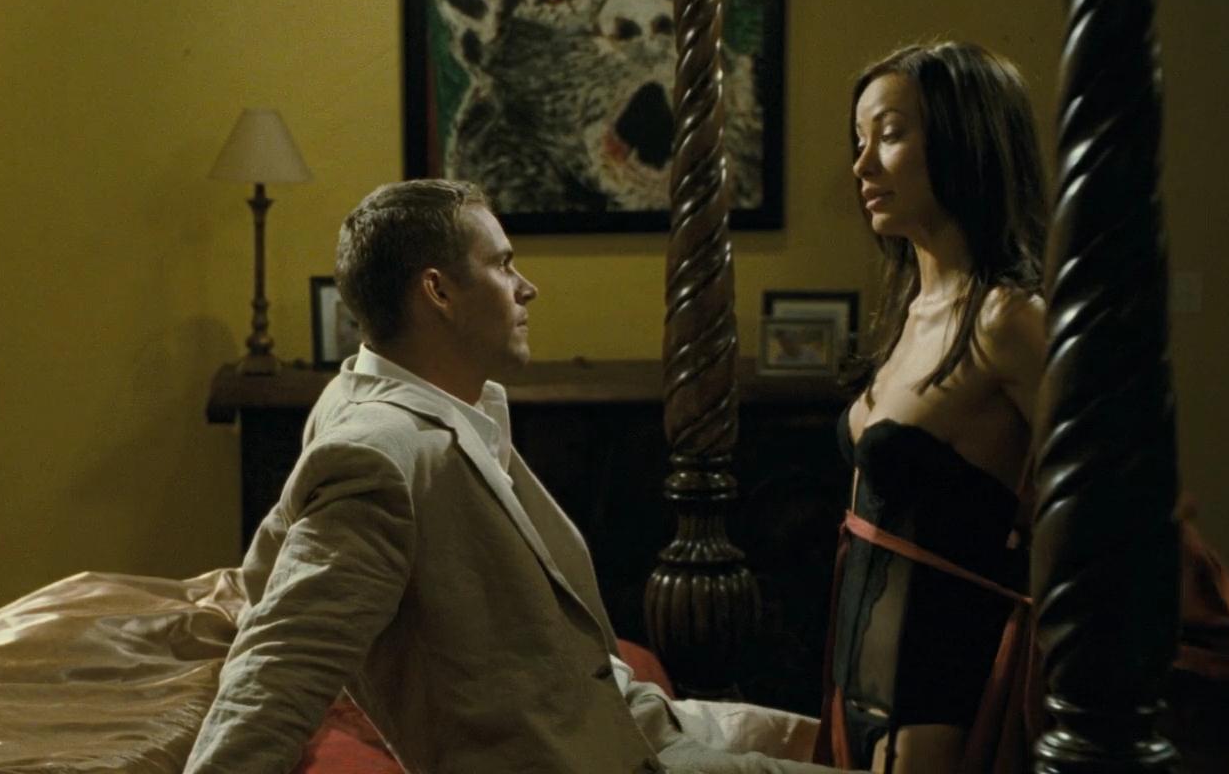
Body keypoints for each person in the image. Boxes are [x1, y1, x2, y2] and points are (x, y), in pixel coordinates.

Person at [186, 179, 842, 773]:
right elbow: (278, 667)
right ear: (439, 291)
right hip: (586, 760)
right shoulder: (377, 452)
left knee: (858, 743)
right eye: (502, 264)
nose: (527, 287)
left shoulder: (381, 397)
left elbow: (263, 574)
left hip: (634, 725)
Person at [823, 42, 1050, 772]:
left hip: (942, 695)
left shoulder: (1008, 320)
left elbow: (1120, 493)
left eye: (889, 136)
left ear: (963, 144)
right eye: (859, 141)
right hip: (853, 684)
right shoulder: (908, 313)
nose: (862, 166)